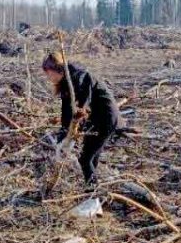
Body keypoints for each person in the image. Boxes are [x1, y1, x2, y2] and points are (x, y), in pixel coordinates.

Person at [42, 51, 125, 186]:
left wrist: (76, 126)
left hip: (106, 118)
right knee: (91, 158)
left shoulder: (80, 76)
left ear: (57, 69)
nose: (48, 77)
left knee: (85, 159)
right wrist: (64, 130)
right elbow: (66, 109)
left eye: (49, 73)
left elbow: (83, 107)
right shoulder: (67, 82)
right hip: (97, 118)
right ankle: (93, 188)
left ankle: (92, 190)